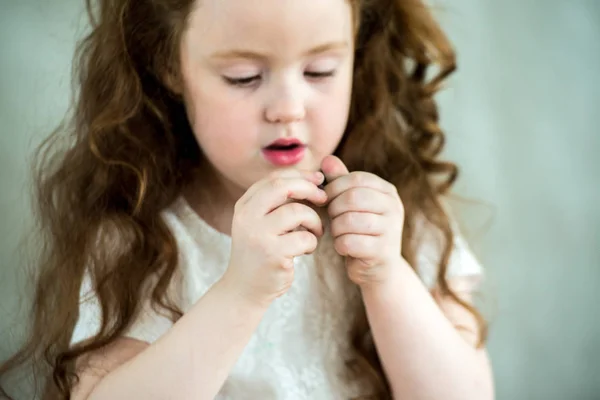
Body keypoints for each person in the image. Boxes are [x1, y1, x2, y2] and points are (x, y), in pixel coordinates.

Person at [0, 0, 495, 398]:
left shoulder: (403, 213)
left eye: (321, 70)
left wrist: (387, 276)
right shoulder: (135, 234)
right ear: (171, 66)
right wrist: (241, 291)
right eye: (244, 77)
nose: (287, 108)